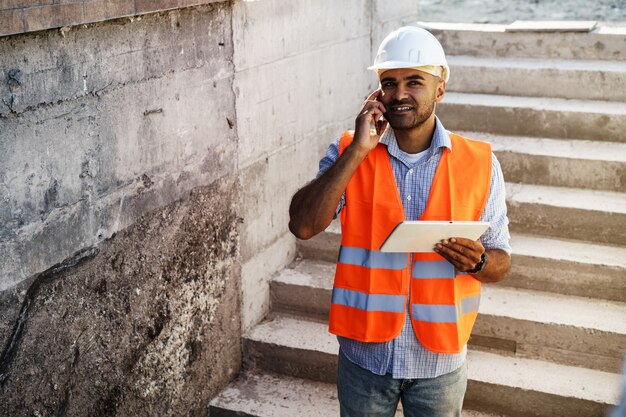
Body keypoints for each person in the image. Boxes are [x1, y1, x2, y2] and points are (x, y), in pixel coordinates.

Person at [288, 26, 511, 417]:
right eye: (389, 83)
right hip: (365, 358)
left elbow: (501, 262)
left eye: (414, 82)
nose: (400, 94)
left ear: (439, 89)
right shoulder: (348, 151)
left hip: (439, 364)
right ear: (377, 93)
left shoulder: (479, 163)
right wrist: (359, 149)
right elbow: (303, 225)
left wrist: (477, 261)